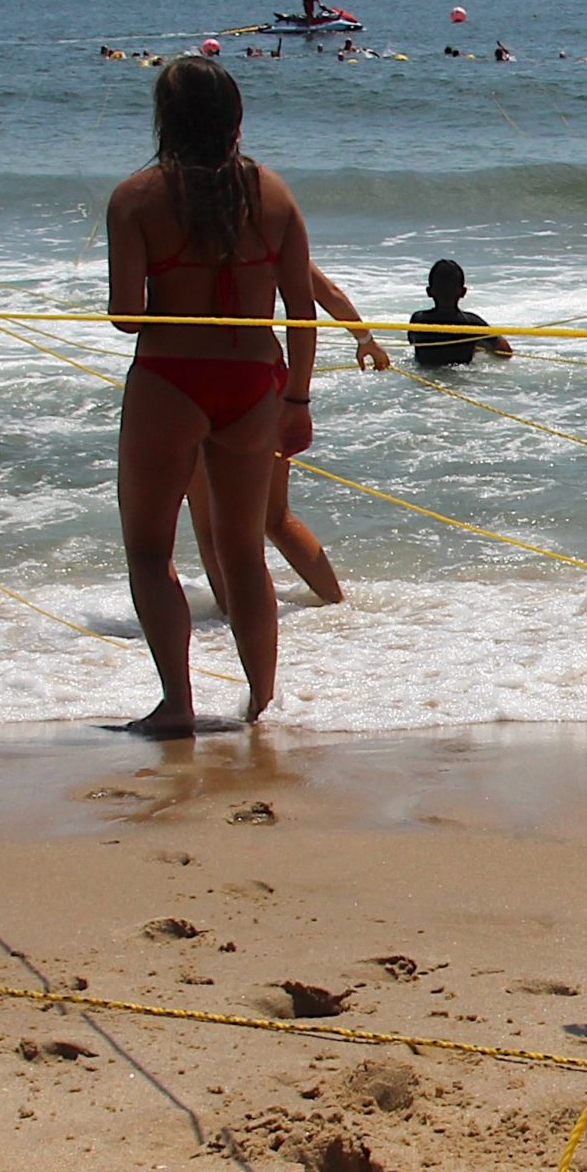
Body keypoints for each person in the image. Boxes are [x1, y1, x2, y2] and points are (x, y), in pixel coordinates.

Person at [107, 54, 315, 734]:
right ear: (234, 119)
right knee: (243, 551)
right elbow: (301, 310)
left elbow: (127, 315)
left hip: (172, 377)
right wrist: (299, 402)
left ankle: (177, 702)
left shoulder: (137, 197)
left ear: (165, 120)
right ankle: (259, 703)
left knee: (149, 550)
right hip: (256, 380)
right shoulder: (275, 194)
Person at [186, 262, 387, 610]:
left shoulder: (182, 233)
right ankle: (339, 608)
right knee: (275, 517)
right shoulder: (268, 232)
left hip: (196, 377)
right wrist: (364, 339)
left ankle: (234, 622)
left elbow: (132, 312)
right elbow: (327, 294)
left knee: (208, 523)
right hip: (262, 378)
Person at [408, 260, 514, 366]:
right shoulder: (472, 323)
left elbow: (413, 341)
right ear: (463, 292)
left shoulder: (418, 320)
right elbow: (506, 352)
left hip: (425, 374)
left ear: (429, 291)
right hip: (462, 377)